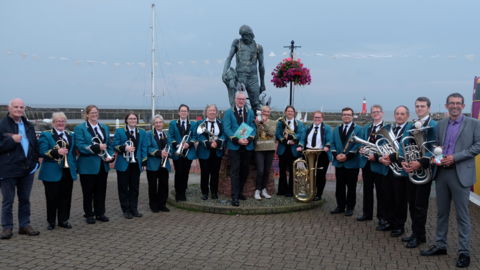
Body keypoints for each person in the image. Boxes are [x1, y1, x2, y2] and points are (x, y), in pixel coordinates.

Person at [420, 93, 480, 268]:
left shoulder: (474, 123)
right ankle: (440, 246)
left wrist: (454, 157)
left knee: (462, 215)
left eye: (458, 103)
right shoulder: (441, 124)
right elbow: (437, 144)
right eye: (451, 103)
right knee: (441, 213)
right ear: (446, 106)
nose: (455, 106)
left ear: (463, 105)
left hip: (460, 173)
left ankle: (464, 253)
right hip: (442, 173)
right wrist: (435, 156)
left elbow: (477, 146)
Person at [396, 97, 437, 248]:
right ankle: (418, 233)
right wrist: (403, 161)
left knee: (420, 206)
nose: (419, 109)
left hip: (424, 171)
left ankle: (418, 236)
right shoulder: (411, 125)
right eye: (417, 106)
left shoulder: (434, 125)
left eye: (422, 106)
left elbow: (436, 147)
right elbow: (403, 145)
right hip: (410, 171)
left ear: (429, 108)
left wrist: (420, 162)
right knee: (412, 204)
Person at [0, 99, 40, 239]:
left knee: (25, 199)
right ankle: (7, 227)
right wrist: (12, 140)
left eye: (21, 107)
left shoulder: (28, 125)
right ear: (9, 108)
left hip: (27, 169)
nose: (18, 109)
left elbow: (35, 145)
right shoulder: (2, 125)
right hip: (8, 169)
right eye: (15, 107)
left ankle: (24, 225)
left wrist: (35, 163)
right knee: (8, 200)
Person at [74, 105, 115, 224]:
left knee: (101, 190)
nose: (94, 114)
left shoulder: (104, 128)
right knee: (88, 191)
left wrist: (111, 156)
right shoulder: (79, 128)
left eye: (96, 112)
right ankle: (89, 214)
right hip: (87, 164)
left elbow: (109, 144)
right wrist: (97, 147)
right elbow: (80, 146)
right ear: (86, 114)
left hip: (102, 164)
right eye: (91, 113)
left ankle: (100, 213)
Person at [38, 112, 77, 230]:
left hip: (67, 170)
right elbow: (42, 151)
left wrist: (74, 166)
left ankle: (63, 220)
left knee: (66, 196)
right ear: (53, 123)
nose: (61, 123)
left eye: (63, 121)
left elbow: (73, 153)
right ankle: (51, 221)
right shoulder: (46, 135)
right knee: (52, 197)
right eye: (58, 121)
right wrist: (56, 152)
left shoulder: (70, 135)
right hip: (51, 171)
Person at [377, 106, 410, 237]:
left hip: (400, 170)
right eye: (397, 114)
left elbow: (407, 148)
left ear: (407, 116)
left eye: (402, 114)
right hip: (388, 169)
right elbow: (382, 146)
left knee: (400, 200)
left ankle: (399, 225)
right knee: (388, 198)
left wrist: (391, 157)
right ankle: (390, 222)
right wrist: (382, 157)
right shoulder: (391, 129)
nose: (399, 116)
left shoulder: (410, 129)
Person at [357, 105, 389, 227]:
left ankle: (382, 217)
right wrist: (361, 149)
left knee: (381, 192)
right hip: (366, 162)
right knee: (367, 189)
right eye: (373, 112)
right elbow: (363, 141)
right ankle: (367, 213)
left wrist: (376, 156)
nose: (375, 114)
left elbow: (387, 145)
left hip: (379, 163)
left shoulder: (387, 127)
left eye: (377, 112)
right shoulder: (368, 127)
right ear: (371, 114)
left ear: (382, 113)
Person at [223, 91, 256, 206]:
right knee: (235, 171)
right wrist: (237, 140)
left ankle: (240, 192)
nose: (241, 101)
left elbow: (253, 127)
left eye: (243, 99)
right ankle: (234, 196)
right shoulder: (228, 112)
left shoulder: (250, 112)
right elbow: (227, 128)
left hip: (247, 146)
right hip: (234, 146)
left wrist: (249, 139)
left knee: (245, 171)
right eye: (239, 99)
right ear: (235, 99)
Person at [222, 25, 266, 112]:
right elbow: (229, 58)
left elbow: (261, 66)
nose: (244, 37)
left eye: (246, 35)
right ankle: (237, 120)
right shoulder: (236, 43)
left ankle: (256, 124)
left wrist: (262, 83)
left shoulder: (258, 47)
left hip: (253, 77)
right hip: (240, 75)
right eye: (242, 35)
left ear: (251, 35)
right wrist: (224, 72)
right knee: (238, 101)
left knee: (256, 104)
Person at [113, 112, 148, 219]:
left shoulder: (142, 132)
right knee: (123, 188)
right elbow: (115, 146)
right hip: (123, 163)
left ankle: (134, 209)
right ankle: (126, 210)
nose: (133, 120)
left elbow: (144, 148)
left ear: (137, 120)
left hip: (136, 164)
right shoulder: (119, 131)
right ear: (126, 120)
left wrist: (144, 163)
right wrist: (125, 148)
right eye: (130, 118)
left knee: (134, 188)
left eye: (134, 118)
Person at [329, 107, 363, 216]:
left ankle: (350, 207)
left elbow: (359, 145)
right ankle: (340, 206)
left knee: (351, 186)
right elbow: (332, 143)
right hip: (339, 162)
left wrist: (347, 156)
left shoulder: (358, 129)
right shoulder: (337, 129)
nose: (346, 116)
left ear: (352, 116)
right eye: (344, 114)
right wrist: (336, 156)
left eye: (348, 114)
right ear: (341, 116)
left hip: (351, 163)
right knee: (339, 186)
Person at [296, 111, 332, 201]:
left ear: (322, 118)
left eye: (319, 117)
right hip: (308, 153)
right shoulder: (308, 127)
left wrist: (327, 146)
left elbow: (329, 139)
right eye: (315, 117)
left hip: (322, 154)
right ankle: (312, 191)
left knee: (320, 175)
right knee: (310, 174)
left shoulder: (327, 127)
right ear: (313, 118)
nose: (317, 119)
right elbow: (302, 139)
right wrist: (300, 146)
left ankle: (318, 194)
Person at [196, 104, 226, 200]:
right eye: (210, 110)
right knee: (205, 173)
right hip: (204, 151)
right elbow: (199, 136)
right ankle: (204, 192)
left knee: (215, 173)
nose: (212, 112)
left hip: (217, 151)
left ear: (216, 112)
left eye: (214, 110)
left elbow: (224, 134)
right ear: (206, 112)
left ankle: (214, 192)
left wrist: (217, 143)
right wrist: (209, 144)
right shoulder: (200, 123)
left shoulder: (221, 122)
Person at [169, 104, 197, 202]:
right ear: (178, 112)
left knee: (185, 173)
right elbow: (171, 136)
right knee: (178, 172)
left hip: (188, 152)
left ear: (188, 113)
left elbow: (194, 137)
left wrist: (188, 144)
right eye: (182, 111)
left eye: (185, 111)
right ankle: (177, 192)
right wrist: (178, 145)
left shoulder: (193, 124)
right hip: (177, 151)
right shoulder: (173, 123)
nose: (183, 112)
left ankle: (183, 192)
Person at [275, 106, 303, 197]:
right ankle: (282, 189)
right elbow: (277, 134)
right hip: (283, 148)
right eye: (288, 111)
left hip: (293, 149)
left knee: (292, 170)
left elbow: (300, 134)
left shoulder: (299, 123)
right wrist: (286, 141)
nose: (290, 113)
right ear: (285, 112)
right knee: (282, 170)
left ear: (294, 113)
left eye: (291, 111)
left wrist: (291, 138)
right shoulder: (280, 123)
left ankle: (291, 190)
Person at [146, 115, 172, 213]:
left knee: (164, 184)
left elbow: (170, 147)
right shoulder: (149, 134)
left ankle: (162, 204)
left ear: (163, 123)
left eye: (160, 122)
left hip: (164, 164)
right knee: (152, 185)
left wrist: (168, 153)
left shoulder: (167, 134)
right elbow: (148, 148)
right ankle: (153, 205)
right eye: (156, 122)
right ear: (153, 124)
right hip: (153, 164)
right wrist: (159, 152)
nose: (158, 124)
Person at [253, 105, 276, 200]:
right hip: (259, 149)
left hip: (270, 148)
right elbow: (255, 136)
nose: (266, 113)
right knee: (260, 171)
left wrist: (264, 124)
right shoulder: (256, 122)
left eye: (268, 111)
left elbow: (271, 133)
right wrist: (259, 126)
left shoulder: (273, 122)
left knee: (267, 171)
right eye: (264, 111)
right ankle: (257, 190)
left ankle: (264, 189)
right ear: (260, 112)